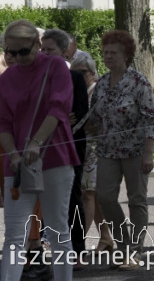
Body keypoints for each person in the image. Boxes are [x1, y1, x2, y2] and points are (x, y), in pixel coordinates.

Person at [1, 20, 78, 281]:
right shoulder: (7, 78)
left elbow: (59, 107)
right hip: (17, 163)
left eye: (23, 51)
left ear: (37, 44)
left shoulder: (55, 66)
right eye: (11, 53)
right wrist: (13, 153)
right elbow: (2, 122)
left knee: (57, 230)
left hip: (54, 157)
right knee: (13, 233)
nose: (17, 58)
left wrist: (37, 141)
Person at [91, 30, 154, 269]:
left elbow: (151, 119)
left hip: (137, 150)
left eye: (113, 53)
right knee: (105, 196)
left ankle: (135, 252)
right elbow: (94, 119)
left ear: (126, 55)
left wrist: (149, 152)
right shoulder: (100, 84)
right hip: (107, 150)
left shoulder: (139, 82)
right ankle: (123, 244)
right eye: (105, 52)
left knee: (137, 200)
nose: (108, 57)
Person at [39, 28, 89, 260]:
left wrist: (60, 118)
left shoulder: (75, 78)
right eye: (43, 49)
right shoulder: (37, 77)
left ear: (64, 53)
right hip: (42, 144)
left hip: (71, 144)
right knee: (41, 196)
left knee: (72, 197)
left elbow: (78, 115)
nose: (45, 54)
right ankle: (42, 243)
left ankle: (77, 247)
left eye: (50, 50)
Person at [69, 51, 113, 253]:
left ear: (93, 73)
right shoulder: (73, 92)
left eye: (83, 72)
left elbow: (105, 119)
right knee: (91, 196)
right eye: (74, 72)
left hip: (98, 147)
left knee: (87, 194)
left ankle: (77, 243)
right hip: (80, 146)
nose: (78, 76)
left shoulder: (99, 90)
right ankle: (106, 237)